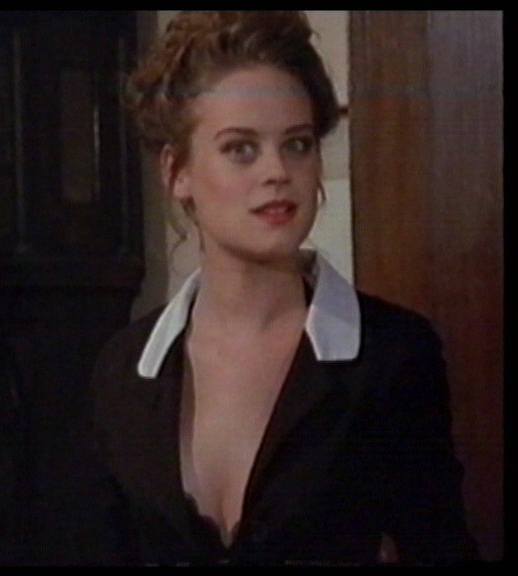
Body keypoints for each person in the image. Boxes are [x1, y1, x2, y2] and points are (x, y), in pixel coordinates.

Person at [78, 11, 479, 566]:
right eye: (241, 148)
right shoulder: (123, 371)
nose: (277, 172)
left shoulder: (391, 356)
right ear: (177, 172)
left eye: (297, 144)